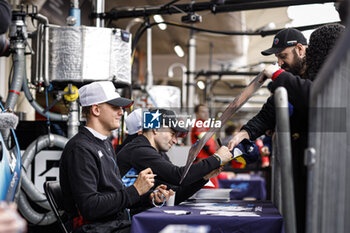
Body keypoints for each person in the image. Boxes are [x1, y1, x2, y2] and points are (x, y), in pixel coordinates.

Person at [229, 24, 345, 233]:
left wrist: (277, 74)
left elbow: (314, 95)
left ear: (301, 49)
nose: (280, 62)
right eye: (278, 59)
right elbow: (269, 112)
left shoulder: (323, 79)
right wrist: (246, 132)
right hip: (301, 170)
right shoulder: (294, 81)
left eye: (283, 56)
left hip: (325, 173)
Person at [59, 81, 173, 233]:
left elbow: (115, 196)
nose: (121, 112)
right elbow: (90, 208)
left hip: (115, 224)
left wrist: (149, 196)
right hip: (94, 229)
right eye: (115, 107)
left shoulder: (104, 144)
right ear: (96, 110)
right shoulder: (80, 149)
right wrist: (135, 190)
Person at [117, 108, 233, 205]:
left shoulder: (155, 153)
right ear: (156, 129)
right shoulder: (139, 150)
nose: (175, 140)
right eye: (172, 134)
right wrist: (216, 158)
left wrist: (204, 178)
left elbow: (176, 192)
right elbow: (178, 176)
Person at [191, 104, 220, 188]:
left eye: (207, 111)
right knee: (210, 190)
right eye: (203, 111)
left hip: (205, 163)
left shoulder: (205, 126)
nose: (206, 114)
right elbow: (208, 145)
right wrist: (219, 155)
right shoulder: (200, 125)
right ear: (197, 114)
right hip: (204, 165)